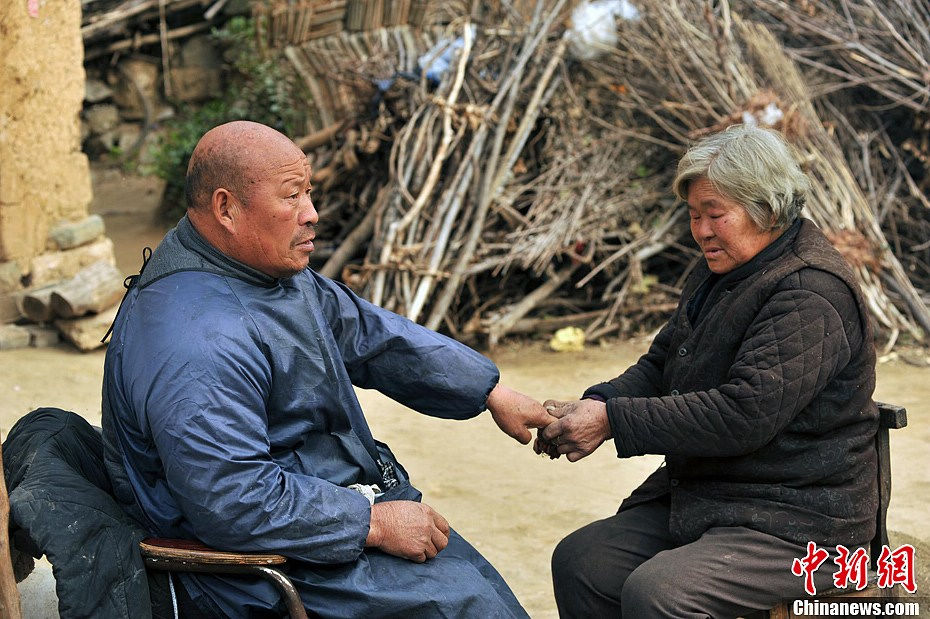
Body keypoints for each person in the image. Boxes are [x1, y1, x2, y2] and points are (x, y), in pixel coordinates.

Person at [101, 120, 553, 617]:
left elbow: (365, 332)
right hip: (253, 567)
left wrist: (488, 392)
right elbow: (233, 500)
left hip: (320, 509)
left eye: (309, 193)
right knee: (468, 607)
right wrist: (373, 524)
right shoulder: (193, 342)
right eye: (291, 196)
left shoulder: (260, 271)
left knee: (476, 583)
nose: (311, 214)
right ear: (226, 208)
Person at [537, 124, 878, 617]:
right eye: (694, 216)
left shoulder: (810, 292)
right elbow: (662, 364)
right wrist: (598, 403)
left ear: (767, 208)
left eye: (715, 215)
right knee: (582, 562)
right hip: (715, 494)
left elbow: (743, 414)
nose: (701, 231)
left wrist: (614, 422)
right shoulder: (721, 270)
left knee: (661, 593)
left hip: (800, 520)